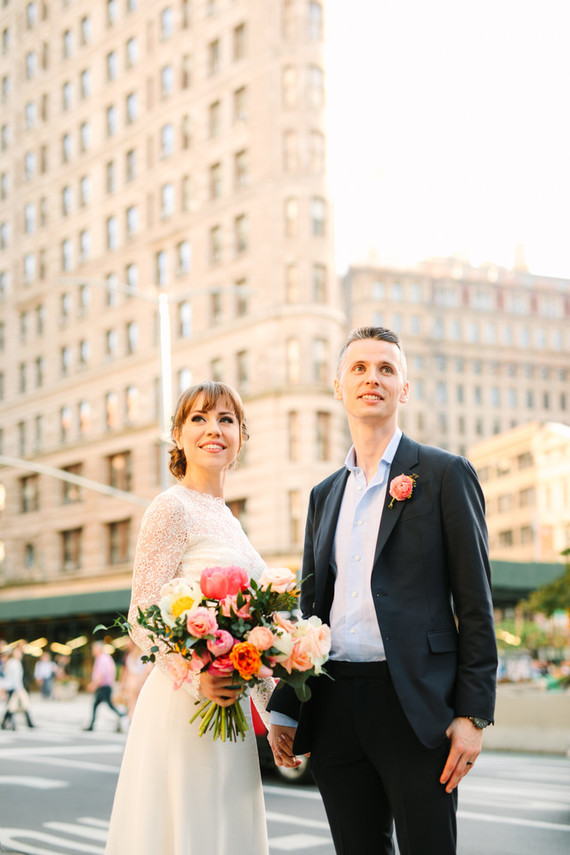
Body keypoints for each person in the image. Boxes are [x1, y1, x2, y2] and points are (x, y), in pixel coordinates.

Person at [268, 326, 498, 855]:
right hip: (335, 706)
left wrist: (474, 714)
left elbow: (475, 603)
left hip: (416, 707)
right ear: (338, 386)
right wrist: (286, 706)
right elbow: (310, 612)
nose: (373, 378)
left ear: (404, 389)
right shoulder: (324, 495)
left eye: (386, 369)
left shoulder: (444, 474)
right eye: (360, 368)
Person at [105, 381, 273, 855]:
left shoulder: (230, 521)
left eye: (225, 420)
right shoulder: (170, 508)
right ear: (178, 435)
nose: (213, 429)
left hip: (233, 711)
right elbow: (141, 617)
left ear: (241, 435)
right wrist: (199, 679)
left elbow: (253, 636)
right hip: (186, 706)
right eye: (198, 419)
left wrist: (275, 716)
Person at [84, 641, 125, 732]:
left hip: (104, 686)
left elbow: (101, 674)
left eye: (94, 649)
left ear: (98, 649)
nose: (93, 651)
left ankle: (122, 715)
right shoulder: (106, 658)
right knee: (99, 705)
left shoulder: (102, 659)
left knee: (106, 705)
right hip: (106, 686)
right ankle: (92, 724)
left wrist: (93, 685)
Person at [116, 638, 152, 722]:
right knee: (136, 704)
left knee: (132, 704)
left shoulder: (131, 656)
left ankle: (131, 720)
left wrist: (122, 683)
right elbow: (147, 670)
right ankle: (134, 720)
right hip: (137, 681)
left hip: (134, 681)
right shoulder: (140, 655)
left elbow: (126, 671)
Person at [1, 645, 35, 730]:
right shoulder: (14, 663)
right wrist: (18, 688)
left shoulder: (14, 662)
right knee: (15, 705)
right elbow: (14, 678)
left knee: (16, 705)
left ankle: (6, 723)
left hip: (15, 687)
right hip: (16, 687)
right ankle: (9, 723)